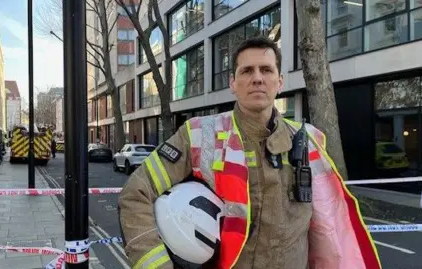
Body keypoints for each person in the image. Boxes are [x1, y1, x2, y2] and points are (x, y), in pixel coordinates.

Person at [118, 36, 381, 269]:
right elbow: (136, 195)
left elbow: (327, 229)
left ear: (279, 81)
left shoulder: (310, 140)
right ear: (233, 83)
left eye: (266, 69)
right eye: (247, 71)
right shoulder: (198, 134)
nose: (257, 77)